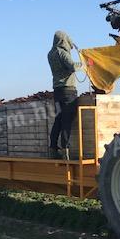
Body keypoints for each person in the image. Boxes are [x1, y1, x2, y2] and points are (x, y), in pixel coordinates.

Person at [48, 30, 82, 160]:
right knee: (67, 120)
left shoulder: (50, 54)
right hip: (68, 91)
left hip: (57, 91)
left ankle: (53, 148)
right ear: (63, 40)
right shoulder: (62, 53)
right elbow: (72, 66)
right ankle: (65, 150)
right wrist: (84, 64)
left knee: (58, 119)